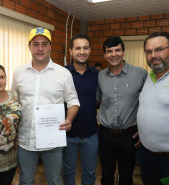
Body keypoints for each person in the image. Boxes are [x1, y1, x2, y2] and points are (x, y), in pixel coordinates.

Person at [11, 27, 80, 185]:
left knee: (55, 180)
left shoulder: (63, 73)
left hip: (52, 139)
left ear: (50, 46)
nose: (40, 48)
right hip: (25, 139)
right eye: (36, 44)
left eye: (44, 44)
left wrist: (69, 119)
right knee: (25, 180)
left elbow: (73, 101)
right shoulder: (19, 72)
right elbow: (14, 100)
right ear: (29, 46)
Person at [96, 36, 148, 185]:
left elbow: (147, 103)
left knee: (126, 176)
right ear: (105, 55)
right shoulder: (100, 76)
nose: (114, 54)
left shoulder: (140, 74)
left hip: (129, 136)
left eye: (117, 50)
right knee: (106, 175)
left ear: (123, 52)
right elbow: (100, 100)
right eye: (109, 51)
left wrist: (142, 129)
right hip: (105, 134)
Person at [62, 34, 99, 185]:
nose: (82, 51)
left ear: (90, 50)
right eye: (78, 48)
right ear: (71, 51)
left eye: (85, 48)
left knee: (90, 173)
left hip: (91, 133)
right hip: (67, 134)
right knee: (68, 171)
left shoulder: (98, 75)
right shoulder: (62, 73)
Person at [137, 31, 169, 185]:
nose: (153, 55)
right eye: (149, 52)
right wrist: (144, 129)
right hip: (145, 153)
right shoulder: (150, 77)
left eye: (159, 49)